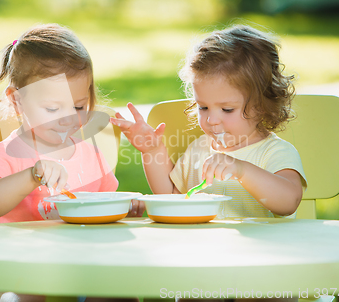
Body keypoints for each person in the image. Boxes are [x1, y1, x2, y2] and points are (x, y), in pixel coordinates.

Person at [0, 24, 143, 302]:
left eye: (78, 106)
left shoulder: (90, 152)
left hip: (86, 264)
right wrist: (30, 176)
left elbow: (104, 208)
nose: (67, 118)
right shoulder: (5, 154)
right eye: (53, 108)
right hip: (22, 269)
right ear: (16, 101)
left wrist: (127, 207)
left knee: (120, 293)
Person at [111, 24, 307, 222]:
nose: (211, 120)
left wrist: (242, 170)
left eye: (227, 109)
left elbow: (288, 202)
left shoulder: (275, 152)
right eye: (203, 107)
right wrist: (152, 151)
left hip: (261, 251)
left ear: (262, 105)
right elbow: (171, 197)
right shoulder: (199, 149)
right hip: (204, 250)